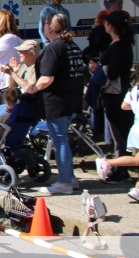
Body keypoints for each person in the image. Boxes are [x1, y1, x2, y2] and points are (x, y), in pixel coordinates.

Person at [26, 13, 86, 195]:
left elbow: (47, 78)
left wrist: (32, 89)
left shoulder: (53, 48)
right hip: (73, 99)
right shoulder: (72, 46)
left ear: (50, 27)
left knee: (60, 140)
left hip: (57, 101)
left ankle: (65, 182)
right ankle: (70, 177)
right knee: (63, 140)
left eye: (44, 23)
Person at [96, 68, 139, 201]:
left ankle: (137, 190)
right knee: (137, 160)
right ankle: (107, 163)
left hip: (136, 129)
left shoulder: (133, 91)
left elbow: (124, 106)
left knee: (138, 159)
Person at [99, 10, 135, 164]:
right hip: (118, 92)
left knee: (119, 132)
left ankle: (121, 167)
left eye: (106, 22)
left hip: (116, 94)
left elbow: (113, 73)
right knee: (120, 131)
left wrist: (99, 69)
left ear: (111, 25)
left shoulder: (118, 46)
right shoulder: (122, 44)